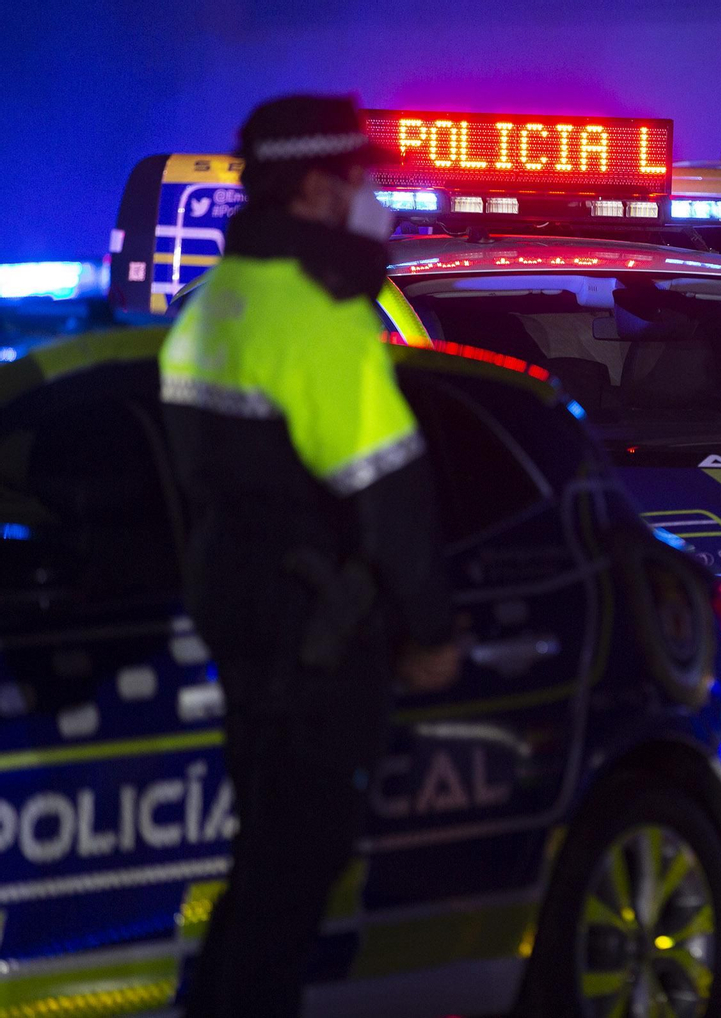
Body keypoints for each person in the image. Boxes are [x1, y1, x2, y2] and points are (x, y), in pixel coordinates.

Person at [159, 95, 459, 1018]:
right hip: (315, 634)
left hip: (239, 610)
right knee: (295, 873)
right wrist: (431, 630)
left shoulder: (218, 300)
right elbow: (392, 491)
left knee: (263, 867)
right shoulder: (317, 318)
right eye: (362, 179)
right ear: (320, 187)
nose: (373, 196)